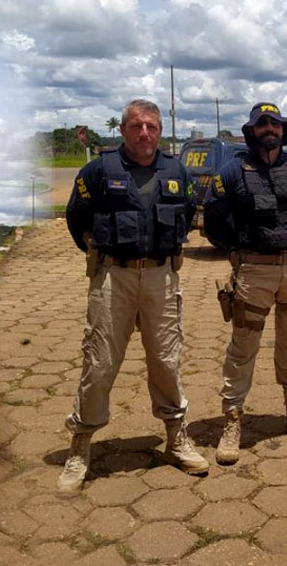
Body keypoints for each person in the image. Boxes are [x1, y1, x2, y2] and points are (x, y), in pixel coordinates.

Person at [59, 99, 208, 493]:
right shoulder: (98, 170)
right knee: (100, 363)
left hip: (162, 276)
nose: (145, 133)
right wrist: (100, 252)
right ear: (123, 130)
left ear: (160, 131)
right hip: (114, 278)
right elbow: (77, 217)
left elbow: (188, 210)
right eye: (137, 126)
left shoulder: (176, 170)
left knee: (166, 360)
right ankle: (80, 446)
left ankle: (176, 437)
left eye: (152, 127)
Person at [204, 102, 287, 465]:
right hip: (254, 272)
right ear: (251, 131)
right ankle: (232, 421)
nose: (269, 129)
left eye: (275, 124)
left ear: (283, 130)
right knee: (242, 349)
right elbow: (213, 221)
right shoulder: (232, 171)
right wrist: (238, 249)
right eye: (262, 124)